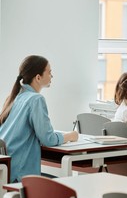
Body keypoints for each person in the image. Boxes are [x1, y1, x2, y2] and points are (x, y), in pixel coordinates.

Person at [0, 55, 78, 183]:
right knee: (64, 184)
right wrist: (71, 136)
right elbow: (48, 139)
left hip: (7, 170)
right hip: (19, 175)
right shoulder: (36, 100)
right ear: (38, 77)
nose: (52, 76)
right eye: (49, 72)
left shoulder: (14, 98)